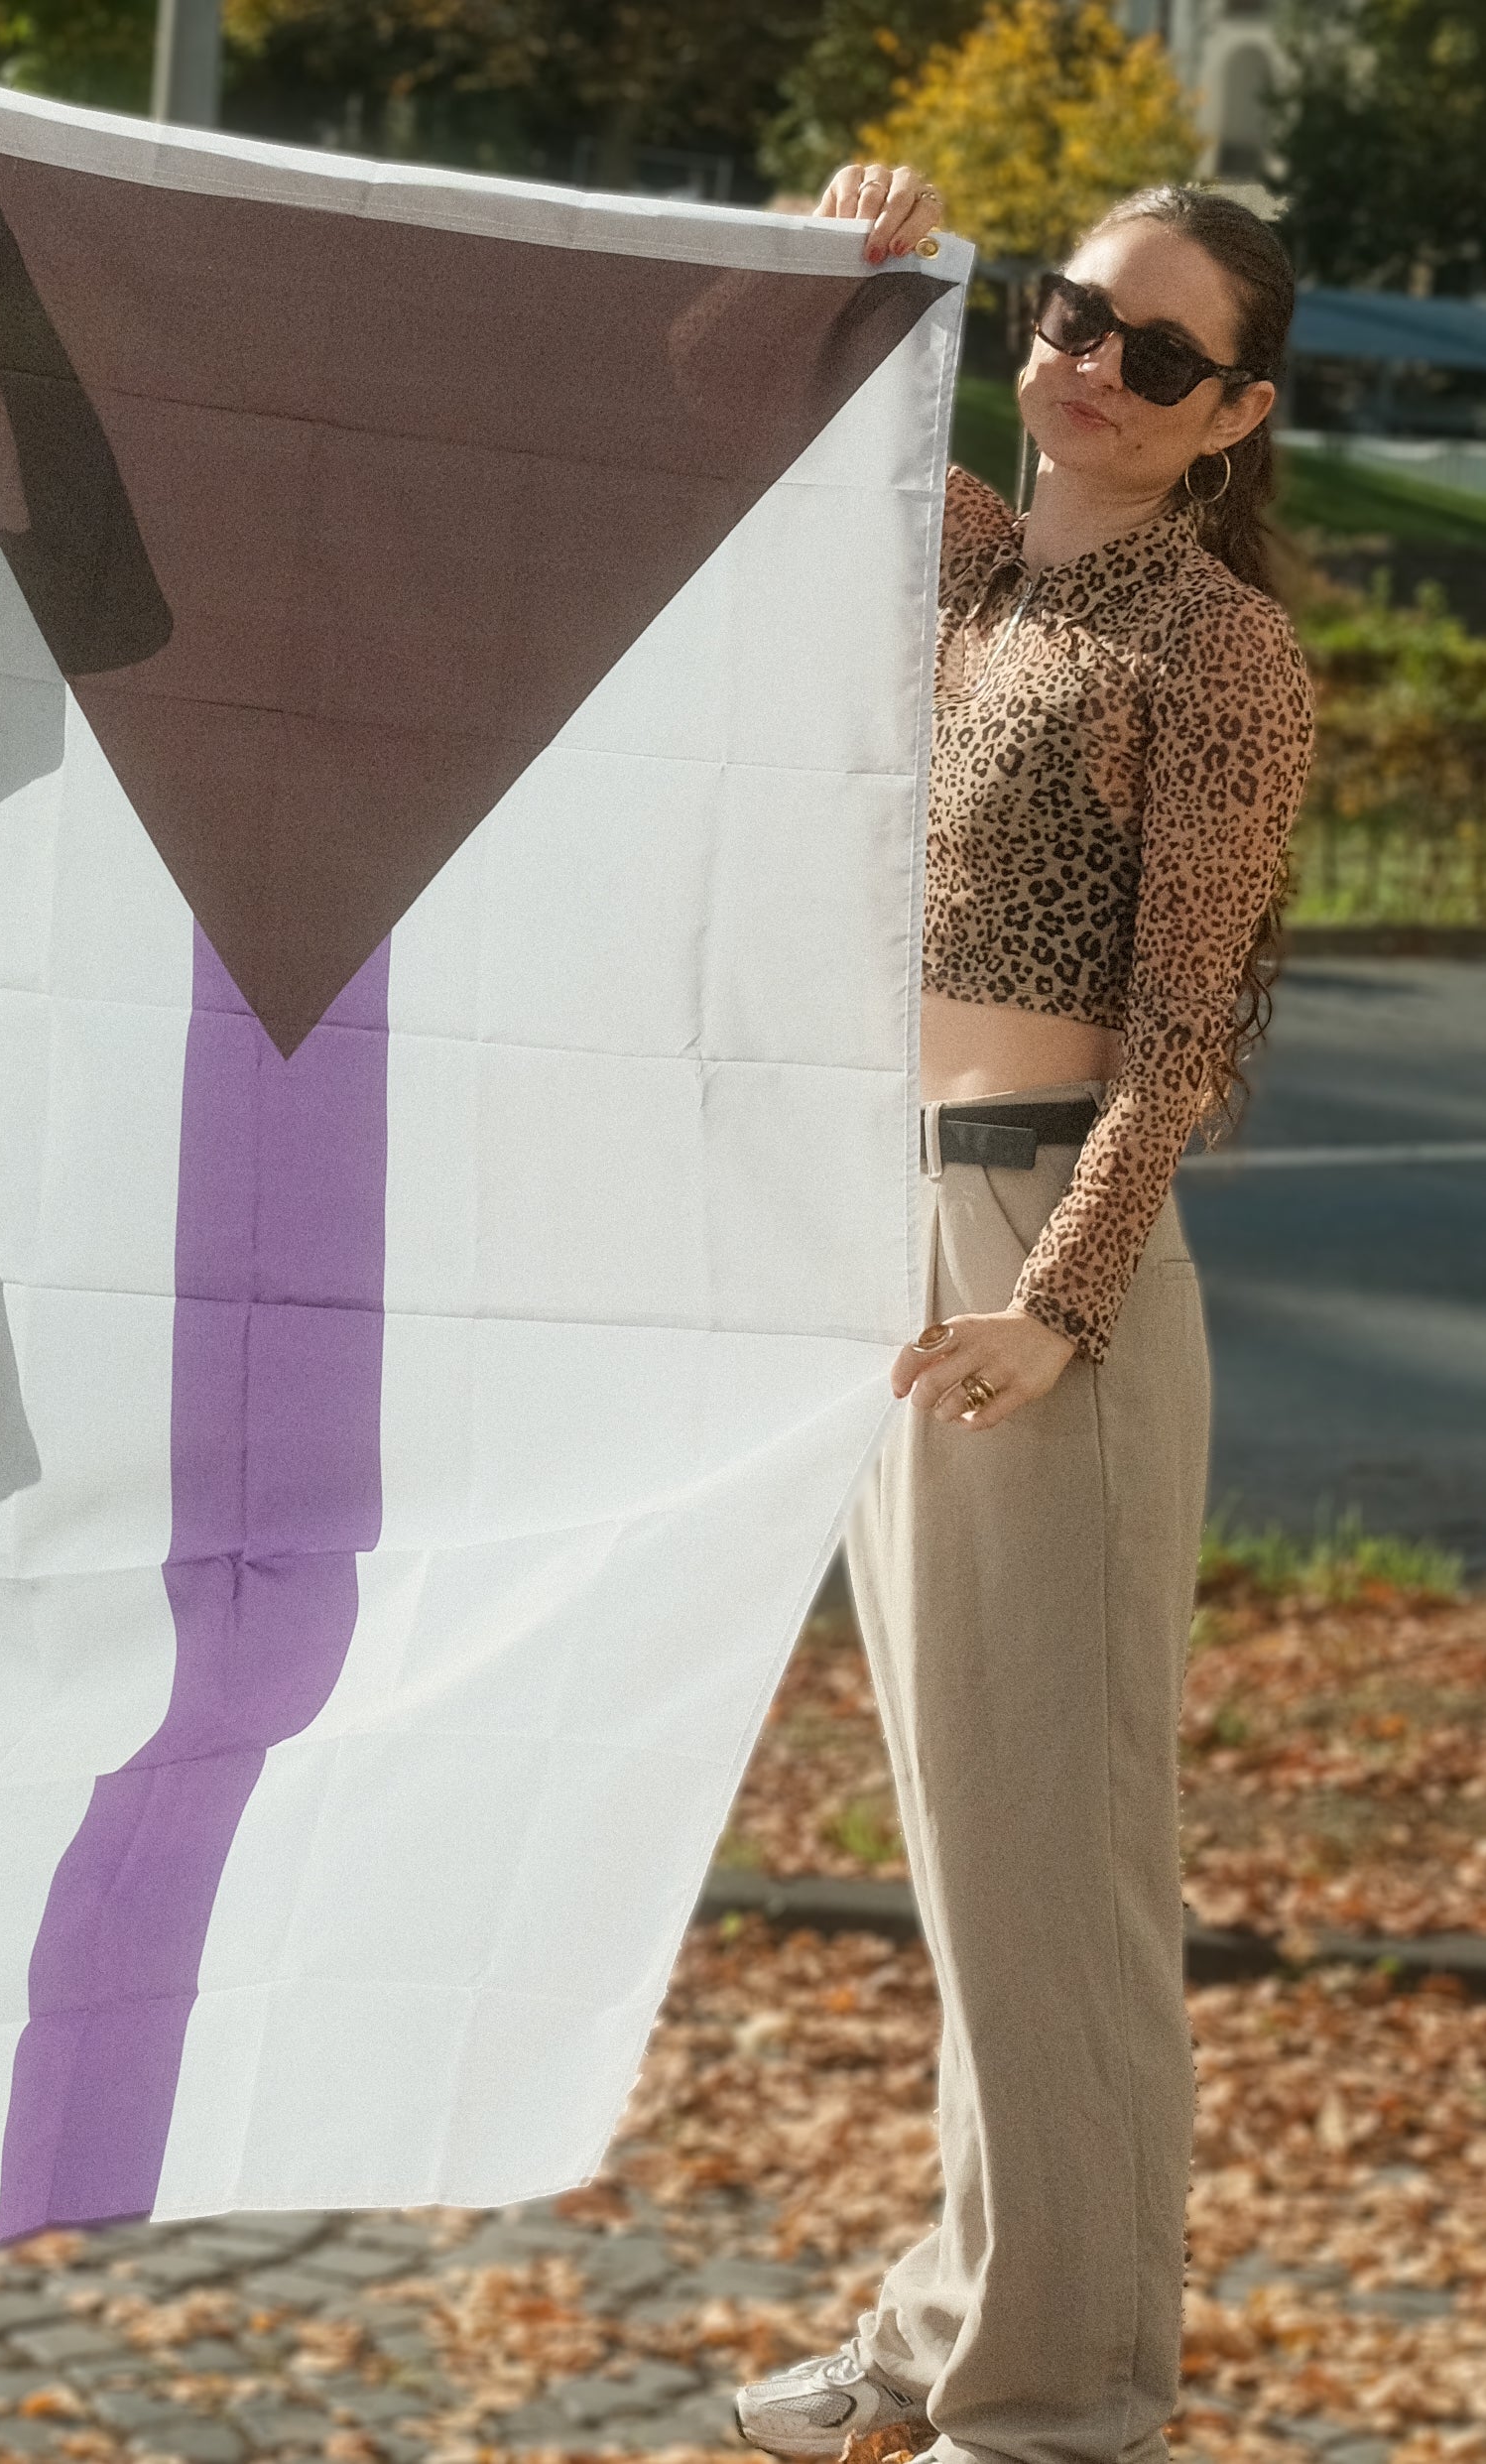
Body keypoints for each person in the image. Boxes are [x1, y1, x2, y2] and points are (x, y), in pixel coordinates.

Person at [734, 172, 1316, 2464]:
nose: (1090, 357)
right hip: (902, 1254)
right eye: (1072, 309)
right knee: (976, 1857)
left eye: (1157, 352)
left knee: (1058, 1874)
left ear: (1234, 414)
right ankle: (961, 2311)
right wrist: (848, 247)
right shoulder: (972, 563)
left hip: (1039, 1283)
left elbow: (1184, 1036)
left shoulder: (1217, 649)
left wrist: (1059, 1311)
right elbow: (757, 428)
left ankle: (1062, 2407)